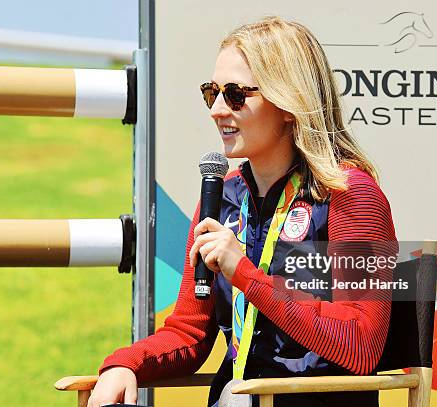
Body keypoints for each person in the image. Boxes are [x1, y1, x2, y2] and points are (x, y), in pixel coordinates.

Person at [88, 16, 397, 407]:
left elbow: (361, 344)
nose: (217, 109)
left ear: (289, 103)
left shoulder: (352, 195)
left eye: (235, 94)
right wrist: (125, 365)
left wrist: (246, 274)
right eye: (211, 92)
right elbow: (189, 332)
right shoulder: (222, 196)